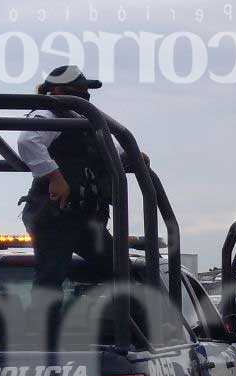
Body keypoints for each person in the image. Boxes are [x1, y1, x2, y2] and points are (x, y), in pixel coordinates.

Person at [16, 66, 148, 291]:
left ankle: (97, 306)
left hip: (83, 217)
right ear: (58, 90)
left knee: (119, 268)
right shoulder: (49, 113)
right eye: (80, 89)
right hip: (55, 213)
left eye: (86, 90)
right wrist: (55, 177)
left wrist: (132, 156)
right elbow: (28, 141)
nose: (85, 94)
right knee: (50, 279)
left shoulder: (83, 120)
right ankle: (42, 326)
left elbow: (109, 152)